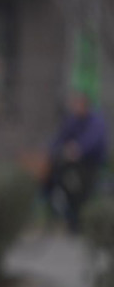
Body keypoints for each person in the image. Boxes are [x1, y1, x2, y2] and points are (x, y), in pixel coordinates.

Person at [43, 91, 108, 232]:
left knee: (83, 192)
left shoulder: (95, 121)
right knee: (58, 181)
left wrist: (78, 149)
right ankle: (68, 219)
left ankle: (80, 223)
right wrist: (50, 150)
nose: (74, 107)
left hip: (90, 164)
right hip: (74, 164)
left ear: (85, 105)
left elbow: (92, 139)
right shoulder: (73, 120)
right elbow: (60, 137)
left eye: (77, 104)